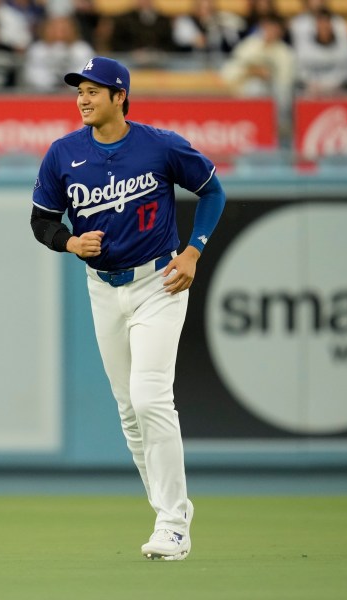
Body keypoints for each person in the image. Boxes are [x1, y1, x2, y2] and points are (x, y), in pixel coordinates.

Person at [29, 56, 226, 561]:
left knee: (149, 397)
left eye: (95, 90)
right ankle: (168, 510)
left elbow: (212, 191)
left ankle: (173, 522)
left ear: (120, 96)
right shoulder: (63, 153)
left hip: (160, 281)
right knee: (128, 411)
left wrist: (194, 250)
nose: (83, 98)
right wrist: (70, 244)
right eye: (79, 90)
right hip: (103, 288)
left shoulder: (158, 144)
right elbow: (42, 221)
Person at [221, 12, 295, 123]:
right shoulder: (251, 44)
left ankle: (276, 124)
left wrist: (269, 75)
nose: (271, 32)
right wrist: (253, 71)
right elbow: (233, 67)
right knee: (254, 87)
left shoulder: (284, 52)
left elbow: (285, 80)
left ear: (280, 32)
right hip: (245, 89)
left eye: (275, 29)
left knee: (279, 91)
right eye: (268, 28)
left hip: (273, 94)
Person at [294, 8, 347, 94]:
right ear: (315, 26)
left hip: (339, 94)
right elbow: (299, 73)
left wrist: (337, 85)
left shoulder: (344, 46)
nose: (324, 26)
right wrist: (310, 84)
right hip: (310, 94)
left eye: (326, 22)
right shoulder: (304, 47)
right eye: (320, 23)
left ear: (332, 25)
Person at [22, 15, 94, 91]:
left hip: (76, 94)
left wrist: (68, 83)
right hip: (43, 95)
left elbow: (87, 72)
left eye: (64, 29)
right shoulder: (37, 49)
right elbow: (33, 73)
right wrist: (53, 84)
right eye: (54, 28)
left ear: (73, 29)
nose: (59, 32)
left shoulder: (82, 49)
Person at [172, 0, 245, 56]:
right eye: (202, 8)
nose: (205, 11)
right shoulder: (185, 21)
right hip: (187, 61)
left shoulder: (218, 21)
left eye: (208, 8)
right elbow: (185, 39)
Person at [104, 0, 174, 57]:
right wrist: (132, 52)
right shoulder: (123, 19)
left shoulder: (163, 20)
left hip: (159, 59)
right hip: (129, 58)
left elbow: (169, 43)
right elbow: (116, 43)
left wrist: (159, 53)